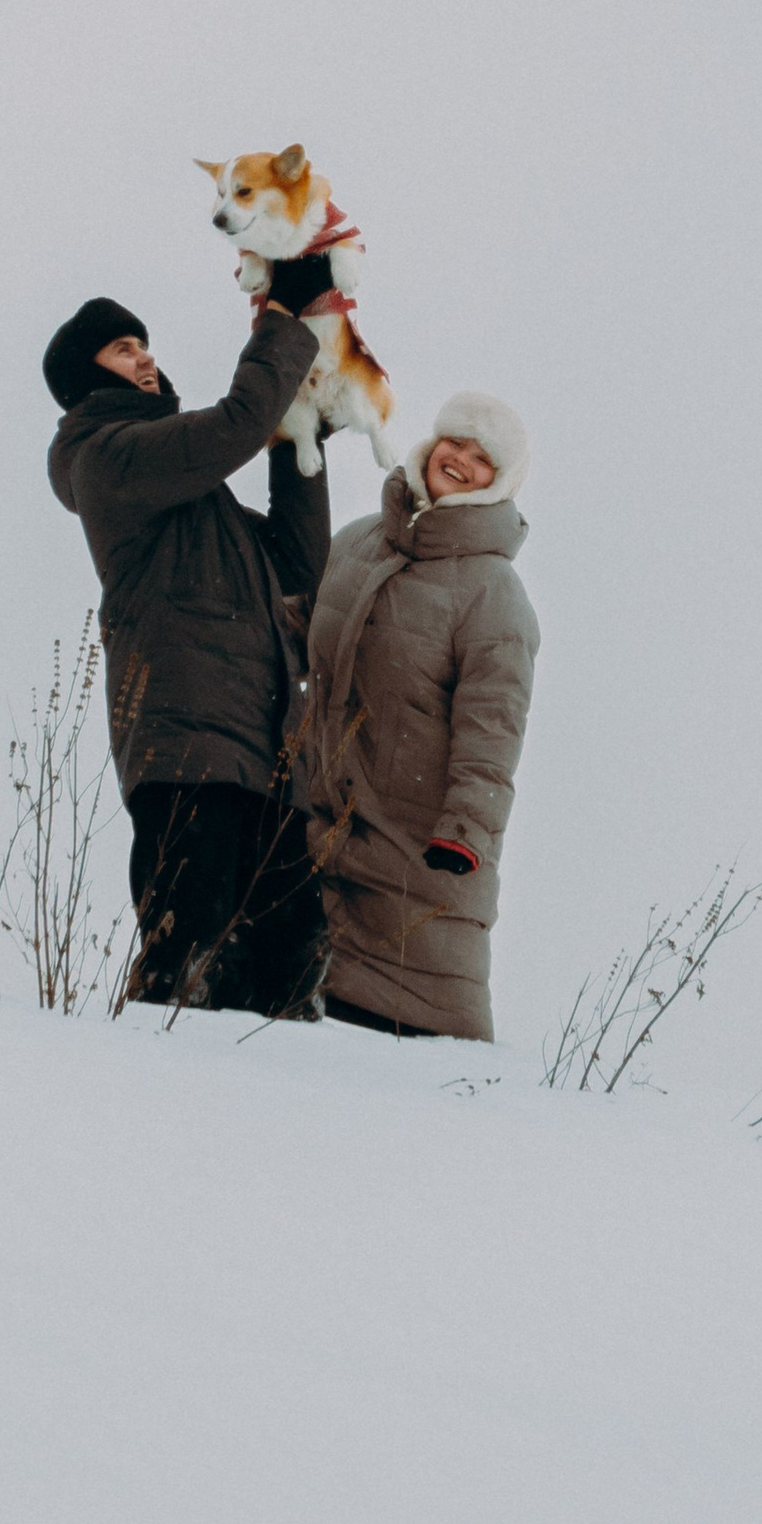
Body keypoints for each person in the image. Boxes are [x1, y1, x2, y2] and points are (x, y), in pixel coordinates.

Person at [43, 276, 346, 1017]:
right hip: (188, 758)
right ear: (89, 376)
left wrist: (299, 434)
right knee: (186, 973)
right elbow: (235, 423)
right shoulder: (106, 458)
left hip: (264, 763)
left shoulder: (197, 504)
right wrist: (280, 320)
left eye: (146, 345)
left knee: (288, 976)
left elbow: (299, 564)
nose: (146, 358)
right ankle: (148, 1113)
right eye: (123, 349)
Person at [295, 388, 539, 1043]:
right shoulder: (357, 543)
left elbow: (492, 732)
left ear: (498, 483)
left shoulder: (494, 594)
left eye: (483, 458)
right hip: (320, 843)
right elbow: (299, 642)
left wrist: (467, 835)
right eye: (456, 440)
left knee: (418, 1086)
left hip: (419, 861)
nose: (461, 458)